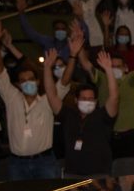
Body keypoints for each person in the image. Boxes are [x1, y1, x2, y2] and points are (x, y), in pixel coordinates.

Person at [0, 20, 70, 180]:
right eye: (23, 80)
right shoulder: (11, 96)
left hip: (45, 162)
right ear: (19, 84)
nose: (28, 82)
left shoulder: (48, 100)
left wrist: (73, 56)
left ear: (38, 81)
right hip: (17, 163)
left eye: (31, 79)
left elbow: (64, 82)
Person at [50, 50, 120, 178]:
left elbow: (114, 97)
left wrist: (109, 70)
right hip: (72, 174)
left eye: (91, 99)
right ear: (76, 100)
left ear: (96, 101)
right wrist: (47, 69)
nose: (87, 102)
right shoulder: (69, 114)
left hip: (100, 173)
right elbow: (52, 96)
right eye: (84, 98)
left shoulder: (103, 115)